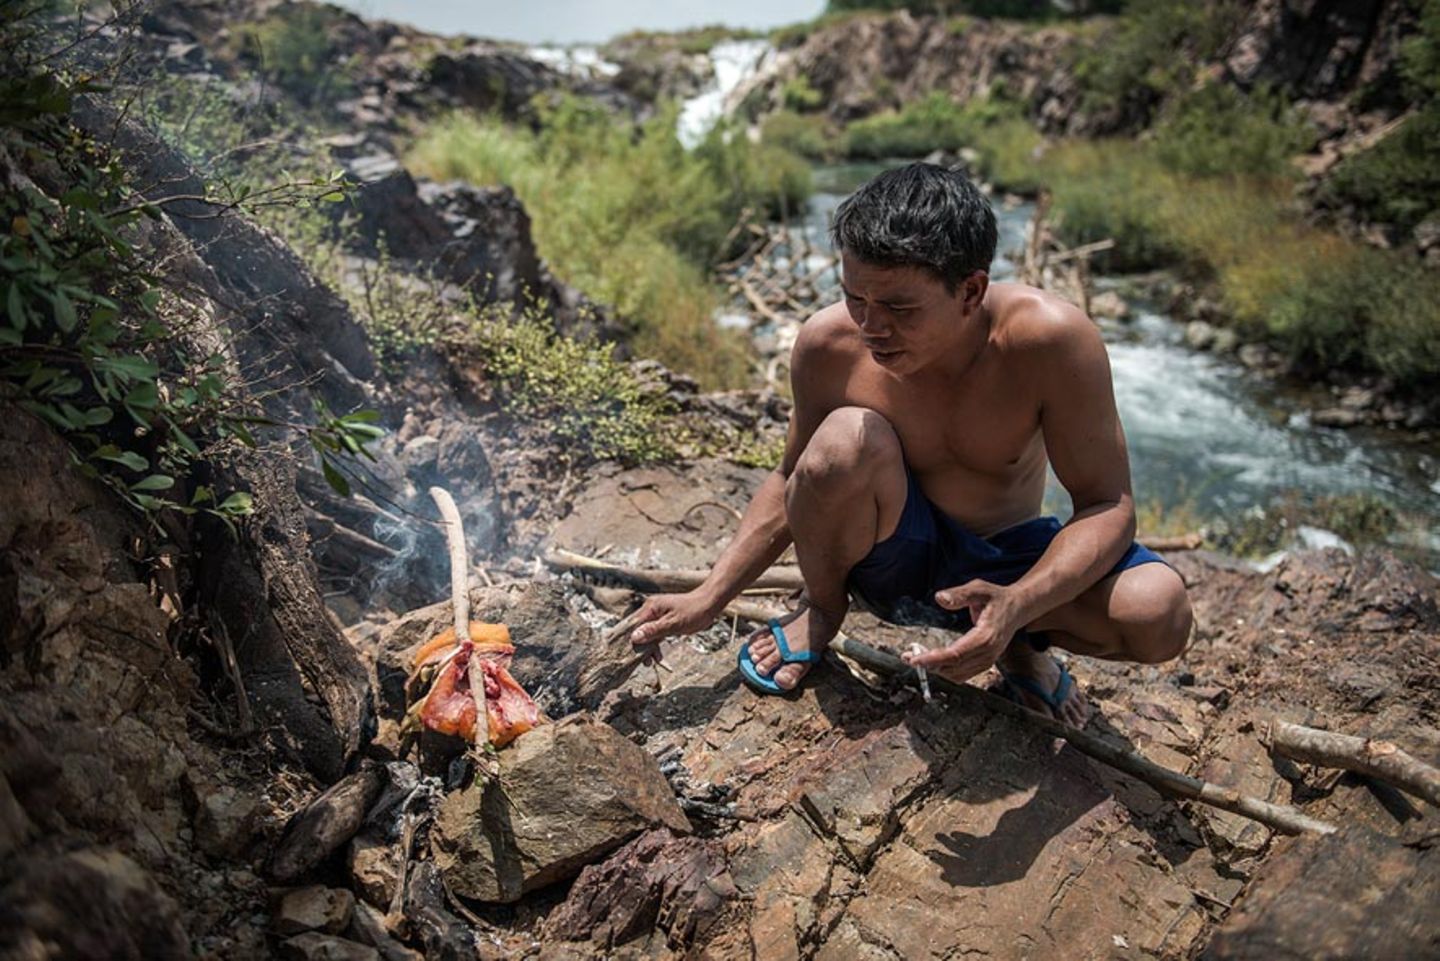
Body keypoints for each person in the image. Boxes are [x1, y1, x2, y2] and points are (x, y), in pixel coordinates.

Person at [623, 163, 1192, 723]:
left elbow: (1107, 505)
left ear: (970, 291)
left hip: (1007, 561)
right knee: (844, 440)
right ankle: (821, 609)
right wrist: (710, 596)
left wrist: (1021, 601)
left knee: (1157, 611)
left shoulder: (1049, 343)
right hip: (888, 559)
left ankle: (1017, 639)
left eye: (899, 307)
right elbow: (792, 476)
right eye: (855, 298)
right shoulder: (829, 344)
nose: (871, 327)